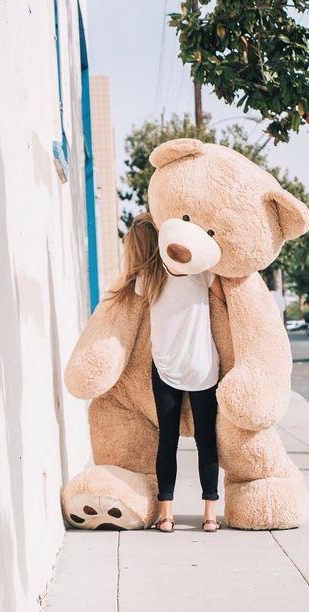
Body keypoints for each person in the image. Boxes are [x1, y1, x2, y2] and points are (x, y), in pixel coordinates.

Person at [107, 212, 225, 533]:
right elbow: (223, 301)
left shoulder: (148, 279)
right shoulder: (201, 270)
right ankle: (210, 515)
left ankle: (166, 514)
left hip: (166, 367)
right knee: (206, 441)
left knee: (167, 441)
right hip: (202, 366)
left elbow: (132, 292)